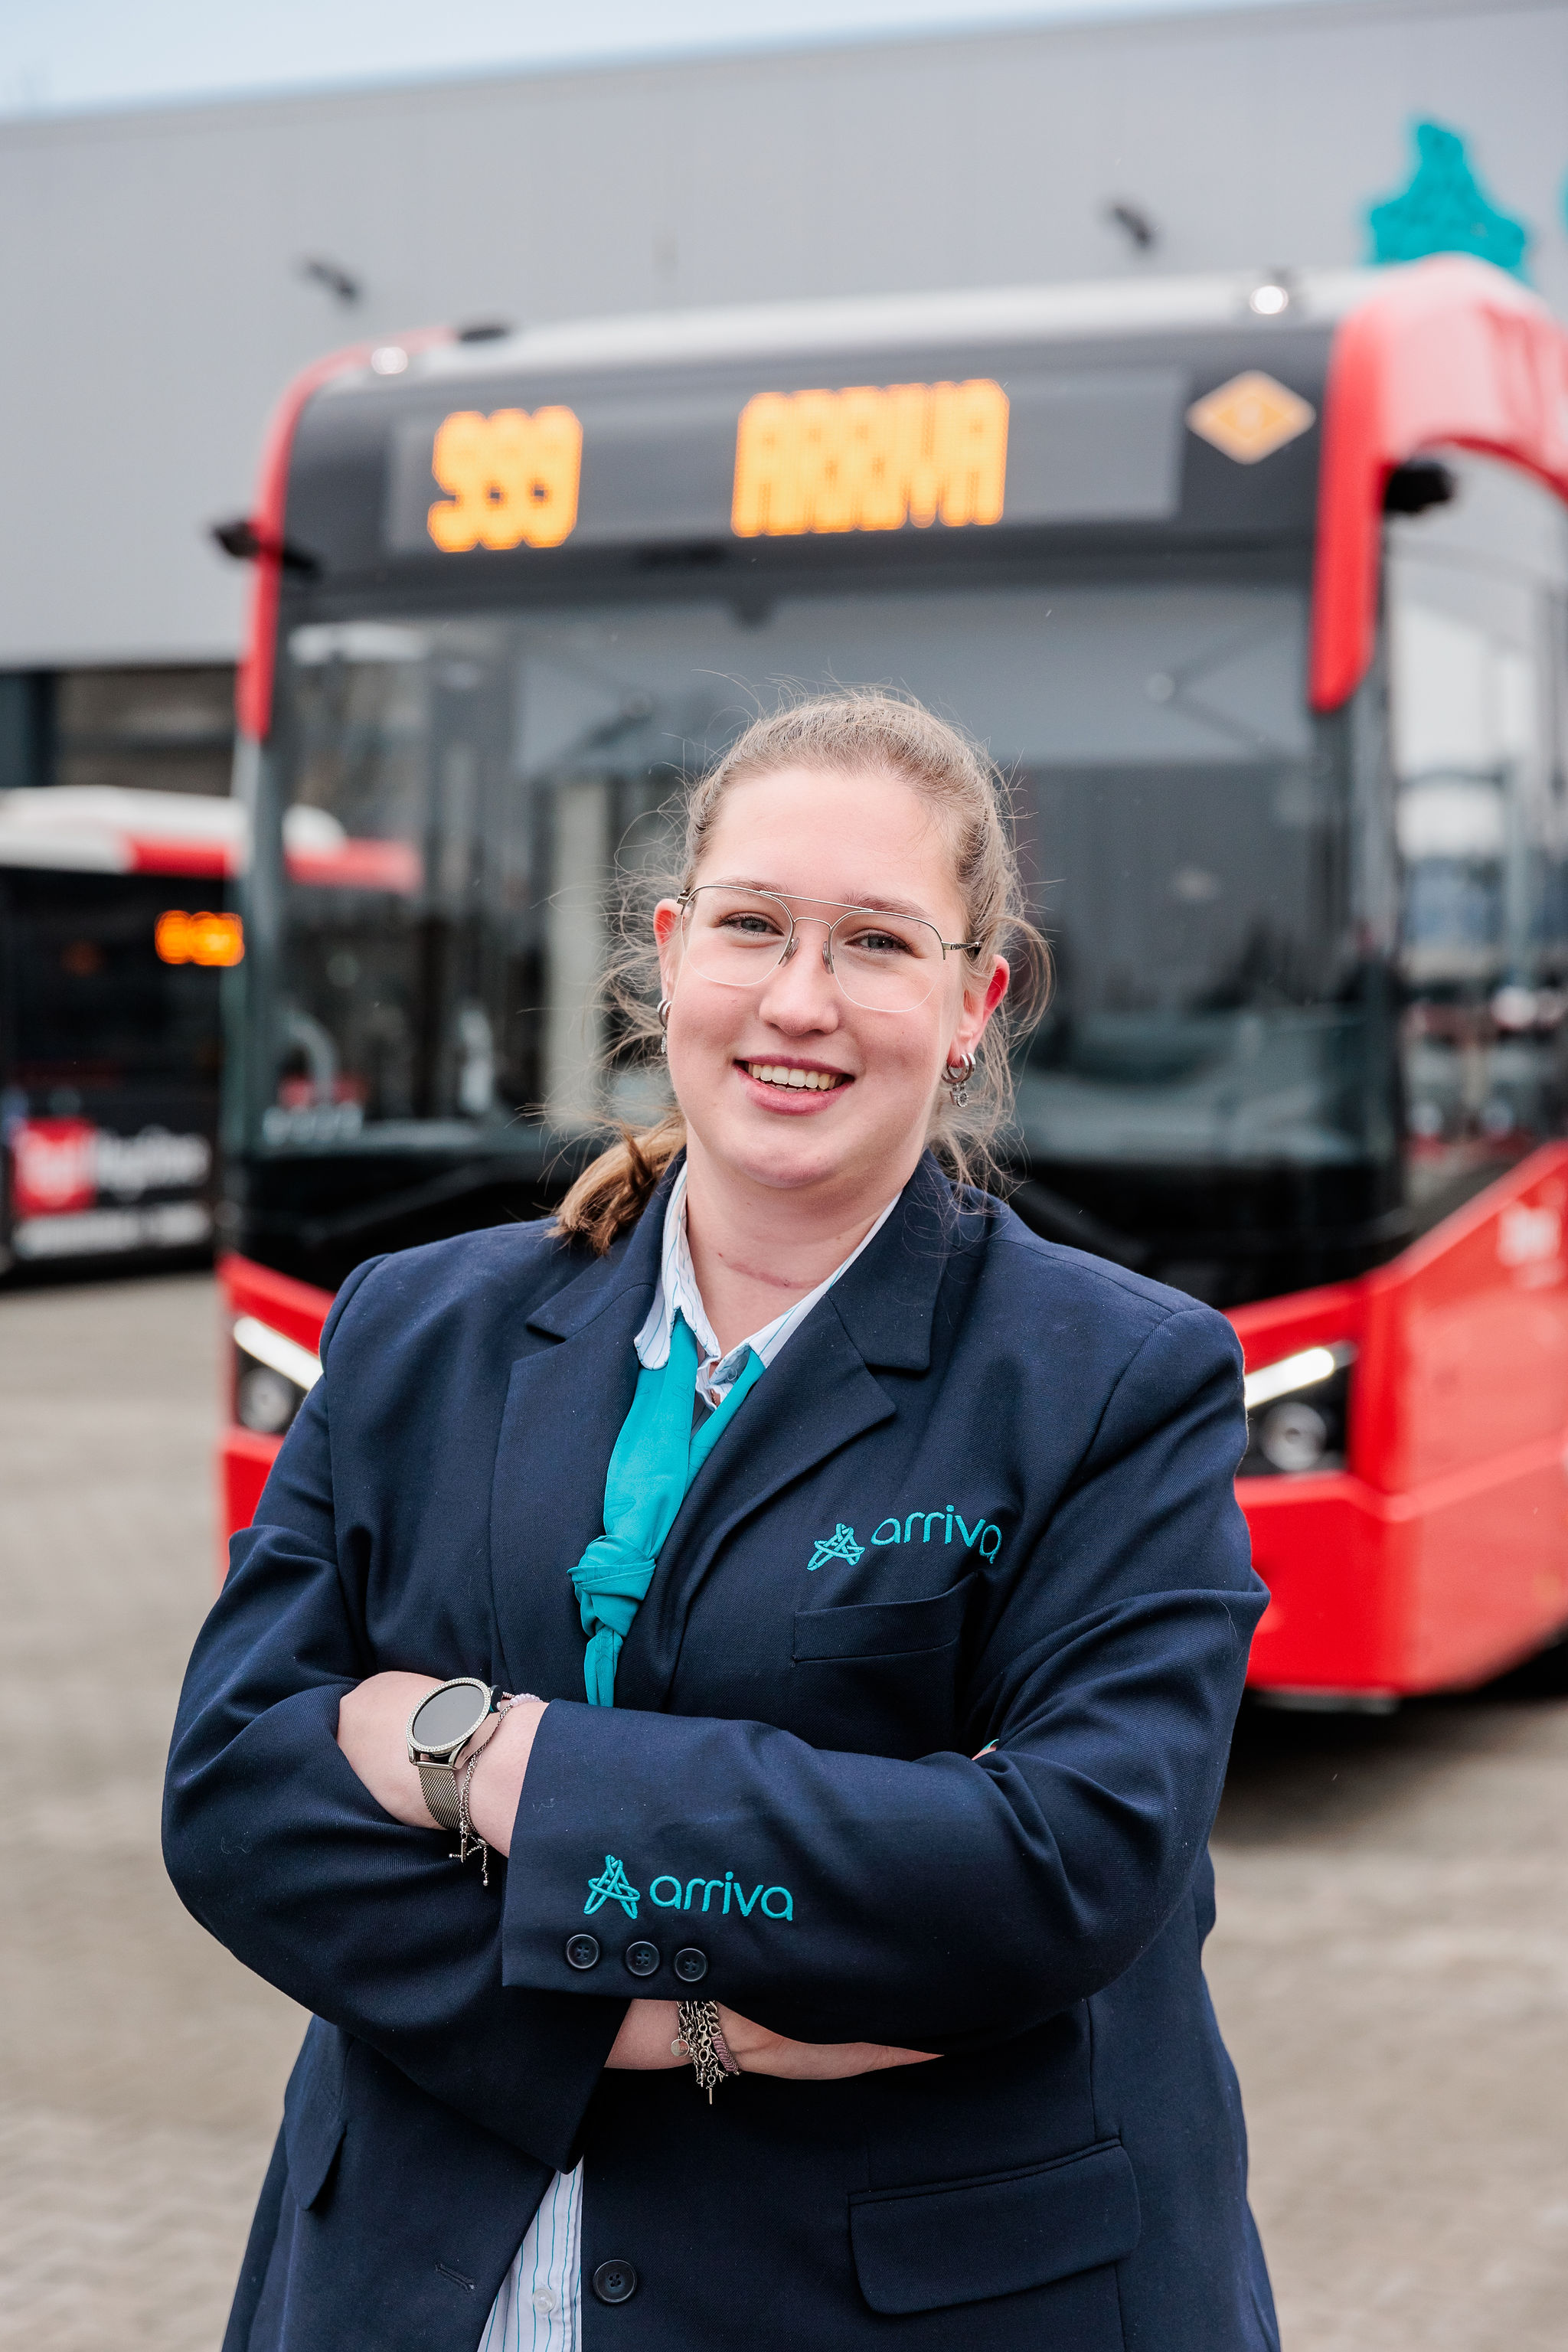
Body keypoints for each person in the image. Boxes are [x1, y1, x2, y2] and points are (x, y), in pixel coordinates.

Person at [165, 691, 1278, 2352]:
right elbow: (239, 1803)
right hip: (423, 2282)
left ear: (973, 1003)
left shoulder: (1115, 1382)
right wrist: (673, 2024)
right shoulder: (412, 1330)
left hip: (910, 2301)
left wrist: (482, 1759)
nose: (799, 1001)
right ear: (674, 952)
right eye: (753, 927)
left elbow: (1054, 1874)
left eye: (877, 945)